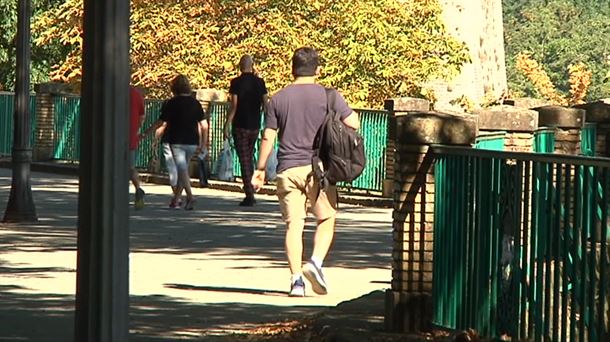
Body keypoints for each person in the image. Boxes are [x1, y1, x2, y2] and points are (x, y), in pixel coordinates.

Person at [251, 47, 360, 297]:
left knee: (294, 226)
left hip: (287, 170)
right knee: (327, 218)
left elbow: (268, 136)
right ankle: (315, 263)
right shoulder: (329, 96)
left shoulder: (277, 99)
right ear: (318, 69)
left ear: (292, 68)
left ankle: (296, 281)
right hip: (317, 170)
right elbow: (353, 123)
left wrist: (259, 169)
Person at [157, 74, 208, 210]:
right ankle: (176, 199)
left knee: (182, 169)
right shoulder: (195, 103)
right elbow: (204, 125)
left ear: (174, 87)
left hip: (177, 141)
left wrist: (146, 133)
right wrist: (203, 143)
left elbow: (162, 121)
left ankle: (190, 196)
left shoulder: (172, 102)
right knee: (183, 169)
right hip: (193, 141)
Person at [223, 55, 268, 206]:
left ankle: (249, 194)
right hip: (255, 125)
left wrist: (227, 124)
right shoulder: (260, 82)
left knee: (244, 159)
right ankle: (250, 188)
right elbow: (266, 104)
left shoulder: (235, 82)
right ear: (252, 65)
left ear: (240, 66)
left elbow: (234, 106)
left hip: (240, 125)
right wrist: (268, 124)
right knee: (248, 156)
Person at [129, 86, 146, 209]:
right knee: (130, 167)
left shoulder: (111, 91)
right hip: (130, 135)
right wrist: (137, 129)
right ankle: (138, 188)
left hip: (113, 136)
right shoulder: (135, 93)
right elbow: (142, 115)